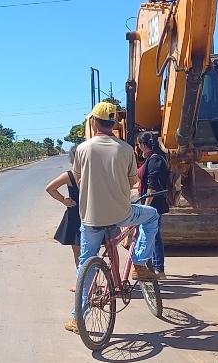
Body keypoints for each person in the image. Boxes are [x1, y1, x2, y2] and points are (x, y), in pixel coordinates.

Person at [65, 101, 161, 334]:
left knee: (86, 264)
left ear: (94, 122)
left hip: (90, 217)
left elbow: (78, 180)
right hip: (121, 214)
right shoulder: (126, 149)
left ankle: (77, 317)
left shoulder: (82, 149)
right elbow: (132, 182)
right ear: (115, 124)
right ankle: (139, 260)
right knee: (151, 216)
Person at [137, 132, 170, 280]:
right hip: (154, 203)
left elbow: (152, 186)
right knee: (151, 235)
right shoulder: (153, 158)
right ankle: (152, 266)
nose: (138, 147)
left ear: (144, 145)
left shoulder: (155, 160)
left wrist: (146, 208)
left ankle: (159, 270)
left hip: (154, 204)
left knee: (154, 236)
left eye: (139, 144)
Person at [45, 145, 81, 269]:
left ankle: (85, 283)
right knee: (92, 251)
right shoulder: (95, 173)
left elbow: (50, 188)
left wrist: (63, 200)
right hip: (92, 213)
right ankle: (92, 282)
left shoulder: (69, 176)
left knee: (78, 253)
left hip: (75, 215)